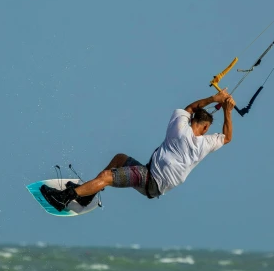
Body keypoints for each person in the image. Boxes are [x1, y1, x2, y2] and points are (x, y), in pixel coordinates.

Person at [40, 89, 236, 211]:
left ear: (192, 121)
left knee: (108, 176)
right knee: (119, 158)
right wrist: (227, 111)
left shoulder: (179, 126)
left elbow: (191, 107)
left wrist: (214, 98)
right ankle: (87, 196)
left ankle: (64, 198)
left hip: (149, 178)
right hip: (153, 184)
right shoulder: (204, 144)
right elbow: (227, 137)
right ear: (205, 128)